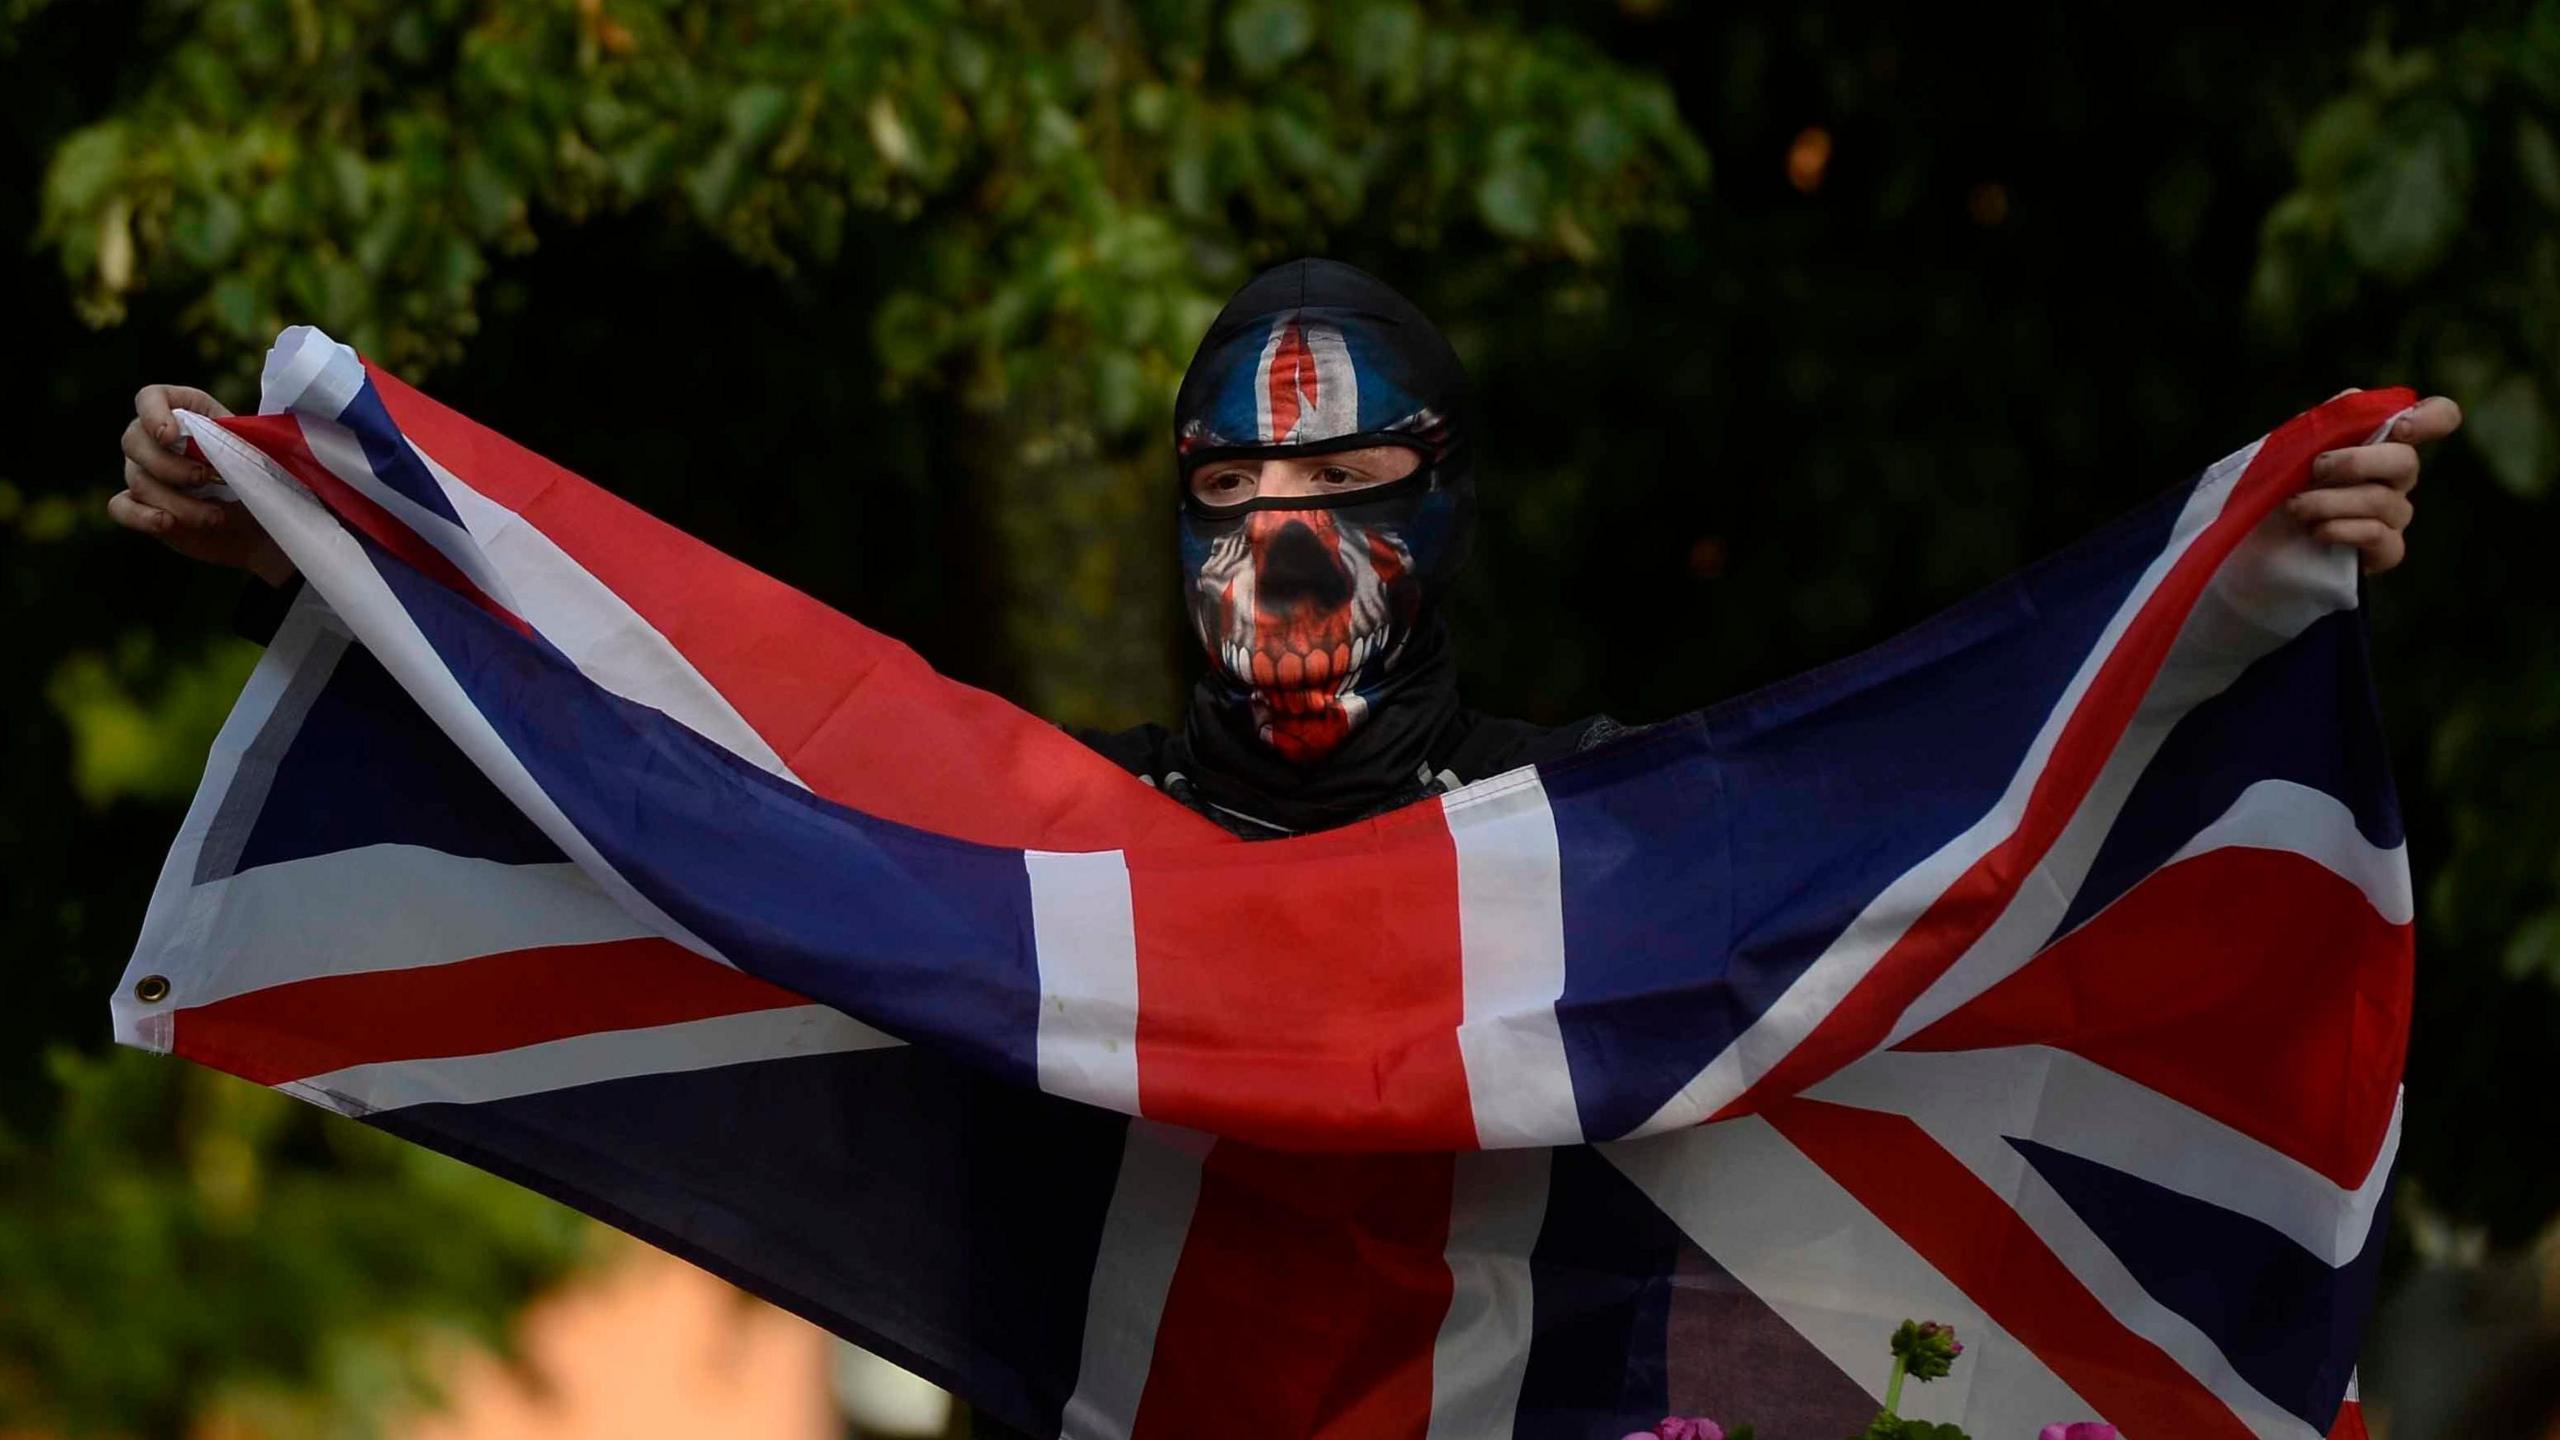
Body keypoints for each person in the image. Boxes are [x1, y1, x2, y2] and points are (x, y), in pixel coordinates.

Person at [109, 258, 2461, 838]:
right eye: (1235, 503)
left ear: (1440, 509)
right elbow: (657, 796)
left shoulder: (1596, 833)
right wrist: (326, 563)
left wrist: (2237, 587)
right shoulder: (1049, 848)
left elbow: (1955, 821)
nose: (1289, 554)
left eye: (1343, 499)